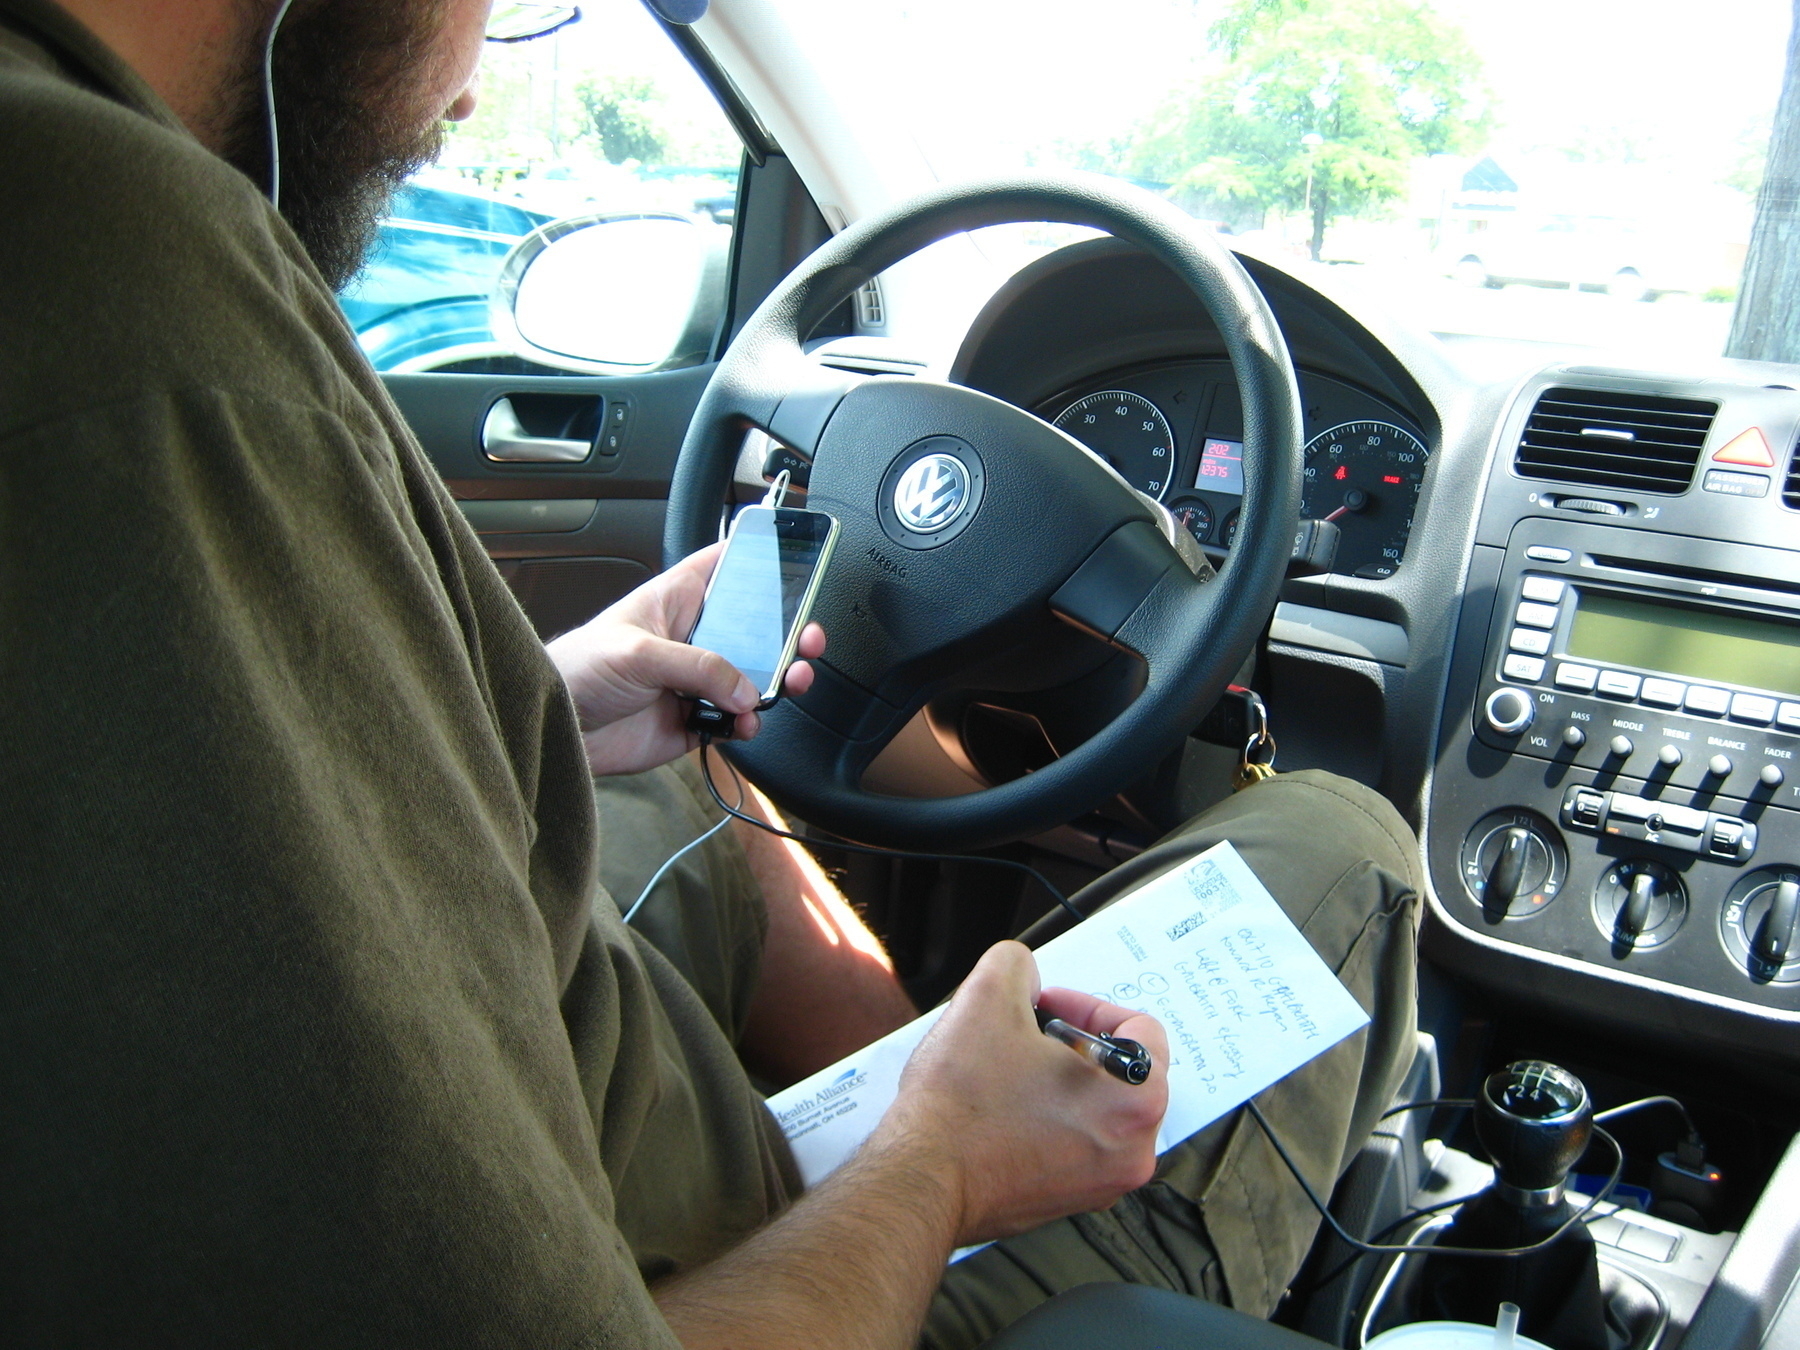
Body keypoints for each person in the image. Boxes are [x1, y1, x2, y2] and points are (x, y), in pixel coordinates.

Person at [0, 1, 1423, 1346]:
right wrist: (939, 1161)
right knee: (1344, 838)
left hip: (588, 1081)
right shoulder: (120, 267)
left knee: (695, 756)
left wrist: (532, 704)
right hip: (736, 1273)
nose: (482, 70)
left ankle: (917, 1067)